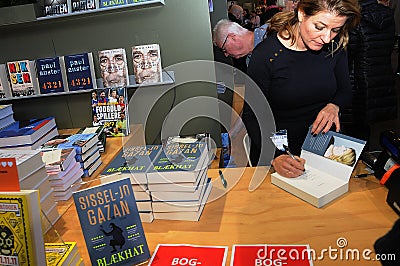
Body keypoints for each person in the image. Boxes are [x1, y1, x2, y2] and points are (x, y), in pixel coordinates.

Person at [243, 0, 360, 177]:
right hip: (280, 148)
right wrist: (275, 156)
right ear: (302, 14)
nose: (327, 38)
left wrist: (333, 106)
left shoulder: (335, 48)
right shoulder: (267, 56)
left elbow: (345, 91)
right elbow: (251, 115)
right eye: (319, 27)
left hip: (322, 146)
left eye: (335, 30)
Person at [344, 0, 396, 146]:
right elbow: (388, 46)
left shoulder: (354, 17)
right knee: (364, 126)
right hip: (378, 76)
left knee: (350, 127)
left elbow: (349, 54)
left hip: (355, 79)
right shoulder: (387, 15)